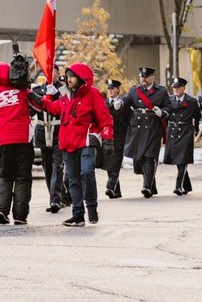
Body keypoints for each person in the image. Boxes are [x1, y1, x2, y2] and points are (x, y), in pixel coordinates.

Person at [41, 63, 113, 227]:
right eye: (67, 76)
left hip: (87, 140)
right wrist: (42, 98)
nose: (69, 79)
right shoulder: (64, 95)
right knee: (73, 179)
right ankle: (78, 215)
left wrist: (108, 140)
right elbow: (53, 109)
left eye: (72, 76)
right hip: (68, 143)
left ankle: (92, 208)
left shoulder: (93, 94)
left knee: (87, 172)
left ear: (81, 78)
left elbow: (105, 117)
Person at [0, 62, 37, 226]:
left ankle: (1, 209)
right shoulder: (24, 92)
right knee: (23, 177)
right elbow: (36, 106)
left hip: (3, 139)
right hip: (23, 137)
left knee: (5, 175)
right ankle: (20, 215)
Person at [122, 66, 169, 197]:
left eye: (146, 77)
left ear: (152, 78)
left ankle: (146, 186)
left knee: (149, 156)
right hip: (137, 128)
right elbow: (126, 100)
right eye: (142, 77)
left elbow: (168, 107)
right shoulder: (134, 90)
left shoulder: (161, 91)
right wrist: (120, 102)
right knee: (138, 159)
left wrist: (163, 112)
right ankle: (151, 183)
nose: (143, 79)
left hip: (153, 126)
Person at [33, 72, 64, 212]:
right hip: (43, 133)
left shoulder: (63, 89)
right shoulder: (38, 90)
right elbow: (32, 109)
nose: (51, 75)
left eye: (54, 72)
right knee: (48, 168)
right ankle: (53, 196)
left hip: (59, 132)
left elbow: (67, 102)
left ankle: (55, 200)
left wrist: (57, 93)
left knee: (57, 167)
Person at [164, 77, 200, 195]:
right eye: (174, 87)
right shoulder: (169, 100)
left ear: (184, 88)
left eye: (178, 87)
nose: (176, 89)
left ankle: (178, 186)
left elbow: (198, 117)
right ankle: (187, 186)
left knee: (183, 159)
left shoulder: (192, 101)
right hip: (173, 131)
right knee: (178, 160)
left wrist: (198, 133)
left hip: (186, 131)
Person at [103, 78, 131, 199]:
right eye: (108, 88)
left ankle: (110, 186)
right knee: (109, 162)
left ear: (118, 90)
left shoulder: (123, 105)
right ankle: (116, 191)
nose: (110, 90)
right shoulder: (104, 104)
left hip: (120, 138)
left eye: (112, 88)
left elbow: (131, 121)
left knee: (115, 162)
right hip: (107, 138)